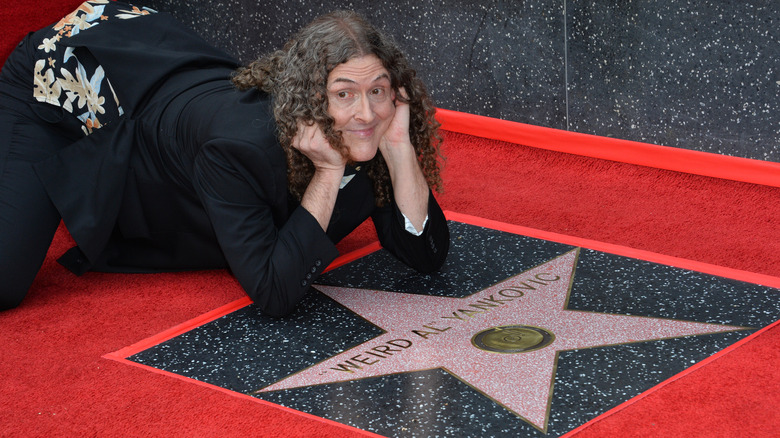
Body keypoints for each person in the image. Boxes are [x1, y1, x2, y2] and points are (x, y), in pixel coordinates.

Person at [0, 1, 449, 315]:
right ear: (311, 98)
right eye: (344, 94)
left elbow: (425, 255)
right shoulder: (239, 148)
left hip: (165, 76)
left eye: (378, 91)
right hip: (67, 72)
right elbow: (275, 293)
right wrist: (329, 173)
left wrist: (398, 148)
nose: (366, 113)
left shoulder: (368, 127)